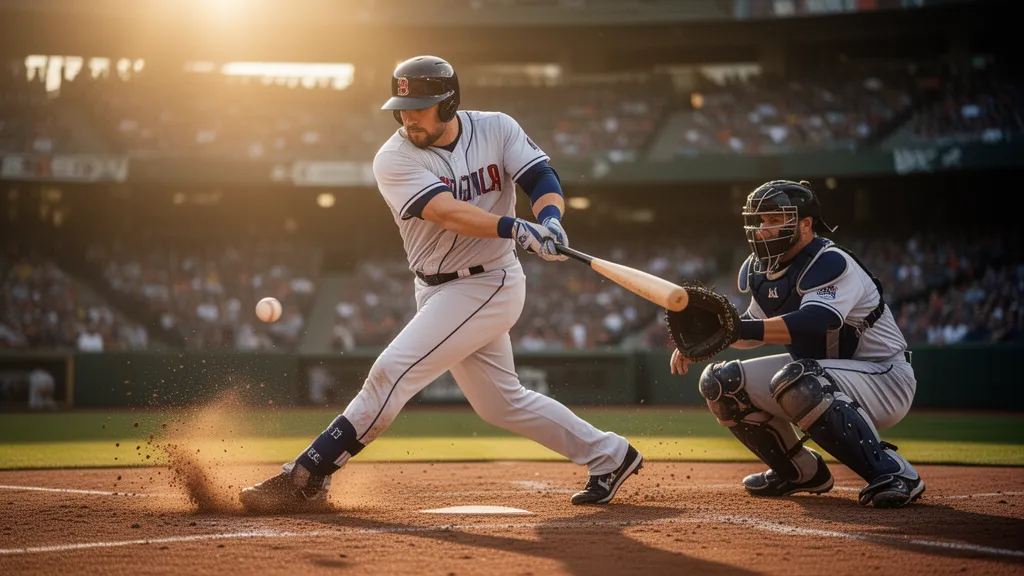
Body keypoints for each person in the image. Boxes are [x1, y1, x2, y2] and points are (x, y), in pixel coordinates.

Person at [240, 55, 642, 512]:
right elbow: (446, 212)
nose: (408, 116)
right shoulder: (393, 158)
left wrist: (549, 217)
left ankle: (308, 474)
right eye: (402, 106)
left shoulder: (497, 128)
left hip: (490, 283)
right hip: (435, 287)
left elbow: (539, 176)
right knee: (501, 404)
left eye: (421, 106)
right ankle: (612, 455)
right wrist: (515, 227)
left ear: (449, 104)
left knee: (392, 372)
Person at [671, 180, 924, 509]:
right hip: (818, 375)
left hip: (885, 378)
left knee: (800, 379)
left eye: (775, 220)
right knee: (720, 383)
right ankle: (800, 471)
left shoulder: (831, 262)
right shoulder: (761, 269)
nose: (764, 228)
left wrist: (735, 328)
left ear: (805, 224)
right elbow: (755, 328)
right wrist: (709, 343)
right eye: (761, 220)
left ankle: (895, 472)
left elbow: (814, 322)